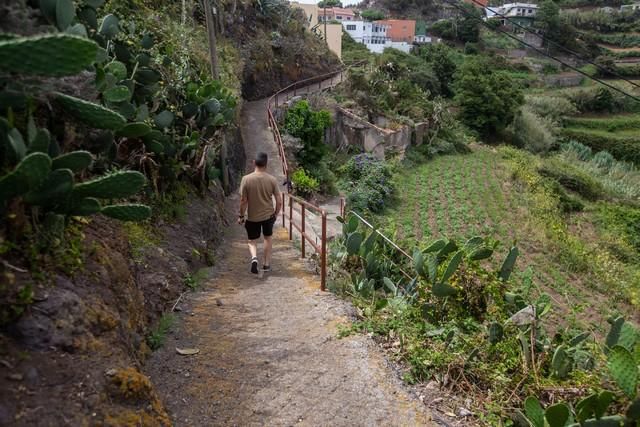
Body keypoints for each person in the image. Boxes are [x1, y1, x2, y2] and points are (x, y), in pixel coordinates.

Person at [238, 152, 282, 274]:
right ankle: (266, 265)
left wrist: (241, 215)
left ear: (254, 163)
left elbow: (243, 201)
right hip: (268, 216)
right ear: (266, 164)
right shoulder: (272, 180)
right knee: (267, 238)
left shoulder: (246, 179)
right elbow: (279, 201)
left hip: (252, 217)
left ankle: (254, 258)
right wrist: (275, 214)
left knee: (252, 240)